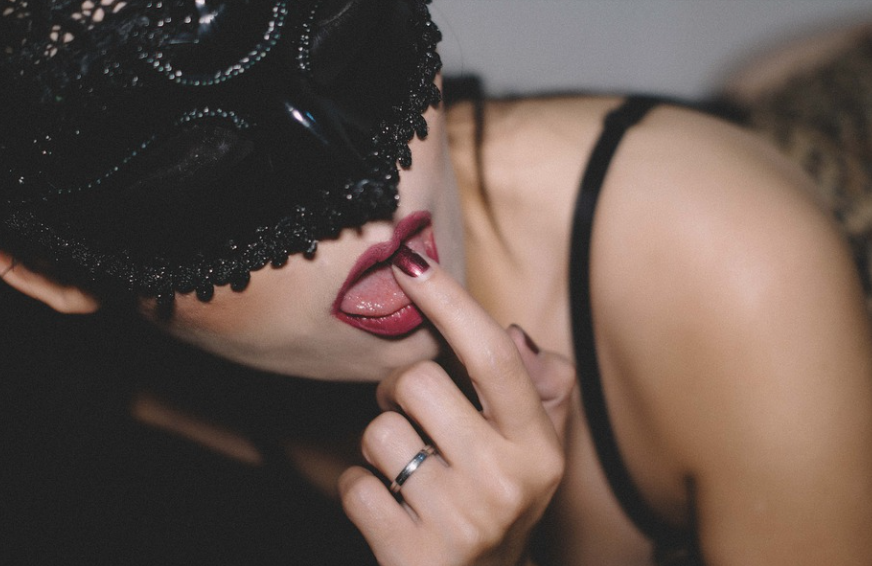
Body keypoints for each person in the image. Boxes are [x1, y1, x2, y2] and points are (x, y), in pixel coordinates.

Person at [1, 1, 870, 565]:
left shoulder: (733, 269)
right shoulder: (74, 462)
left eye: (346, 44)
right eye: (200, 167)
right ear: (49, 273)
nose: (364, 185)